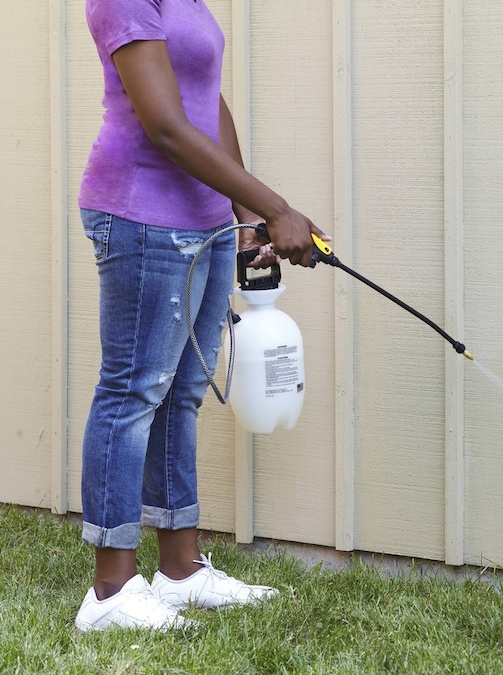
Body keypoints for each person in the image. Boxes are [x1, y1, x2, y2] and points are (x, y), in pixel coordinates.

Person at [74, 0, 329, 631]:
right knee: (134, 391)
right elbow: (163, 123)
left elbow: (205, 100)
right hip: (140, 213)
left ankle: (180, 572)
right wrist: (276, 206)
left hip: (205, 217)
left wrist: (242, 212)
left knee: (181, 392)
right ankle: (110, 591)